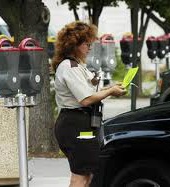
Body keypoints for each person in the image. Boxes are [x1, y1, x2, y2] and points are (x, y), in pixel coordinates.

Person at [52, 21, 126, 187]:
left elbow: (91, 91)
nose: (90, 47)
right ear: (74, 45)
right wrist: (110, 91)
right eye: (86, 43)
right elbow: (85, 99)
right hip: (75, 124)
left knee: (88, 174)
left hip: (82, 123)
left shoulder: (78, 66)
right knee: (80, 175)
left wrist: (111, 87)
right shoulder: (69, 67)